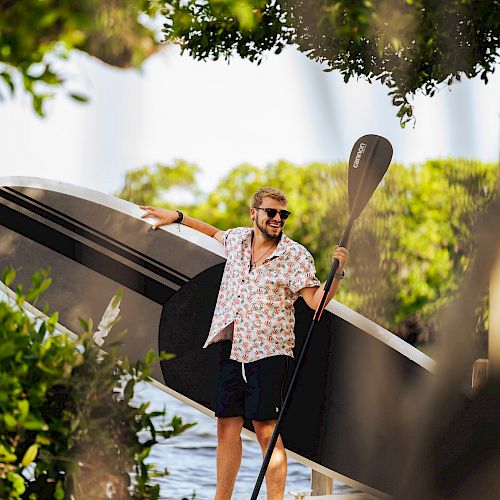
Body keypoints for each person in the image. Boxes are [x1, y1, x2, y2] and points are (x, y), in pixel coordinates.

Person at [140, 186, 349, 500]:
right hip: (234, 347)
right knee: (226, 426)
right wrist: (179, 216)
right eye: (271, 212)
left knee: (266, 430)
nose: (278, 218)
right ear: (255, 213)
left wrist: (338, 273)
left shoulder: (295, 255)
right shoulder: (237, 239)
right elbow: (212, 233)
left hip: (270, 351)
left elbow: (316, 303)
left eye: (283, 214)